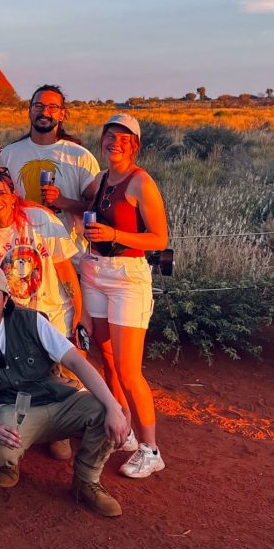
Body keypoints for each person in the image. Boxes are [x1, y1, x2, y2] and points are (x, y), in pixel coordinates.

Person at [0, 263, 130, 517]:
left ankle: (86, 481)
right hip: (16, 410)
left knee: (105, 410)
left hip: (59, 399)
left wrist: (113, 406)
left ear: (5, 300)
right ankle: (9, 463)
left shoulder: (31, 321)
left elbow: (76, 362)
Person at [80, 113, 170, 480]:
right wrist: (58, 202)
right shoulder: (102, 180)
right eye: (109, 136)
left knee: (130, 370)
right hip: (96, 272)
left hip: (127, 277)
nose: (114, 143)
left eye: (123, 139)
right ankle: (125, 428)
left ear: (135, 145)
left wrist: (115, 233)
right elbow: (84, 206)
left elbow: (159, 239)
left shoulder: (140, 183)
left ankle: (152, 449)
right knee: (107, 357)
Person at [0, 167, 82, 461]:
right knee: (26, 377)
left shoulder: (39, 219)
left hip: (55, 311)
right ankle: (27, 430)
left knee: (66, 376)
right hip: (16, 318)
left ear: (13, 195)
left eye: (2, 193)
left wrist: (79, 315)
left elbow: (65, 270)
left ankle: (60, 431)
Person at [0, 85, 99, 262]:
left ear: (61, 114)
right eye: (39, 106)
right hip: (23, 254)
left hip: (70, 258)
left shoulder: (80, 156)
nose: (45, 112)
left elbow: (97, 207)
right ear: (29, 111)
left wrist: (63, 202)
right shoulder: (9, 154)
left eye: (52, 107)